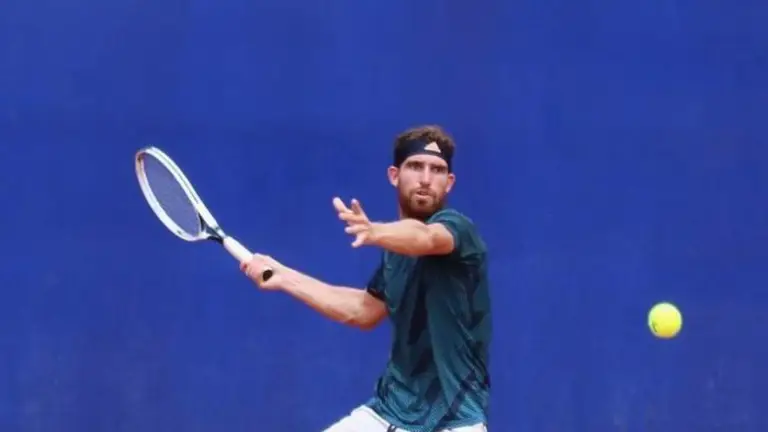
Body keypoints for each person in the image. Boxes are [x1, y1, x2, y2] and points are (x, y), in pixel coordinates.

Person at [241, 125, 492, 432]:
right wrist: (284, 277)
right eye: (415, 166)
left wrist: (375, 231)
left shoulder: (457, 229)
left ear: (449, 182)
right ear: (394, 175)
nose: (426, 178)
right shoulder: (395, 252)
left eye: (437, 170)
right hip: (389, 412)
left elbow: (425, 237)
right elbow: (363, 310)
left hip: (454, 422)